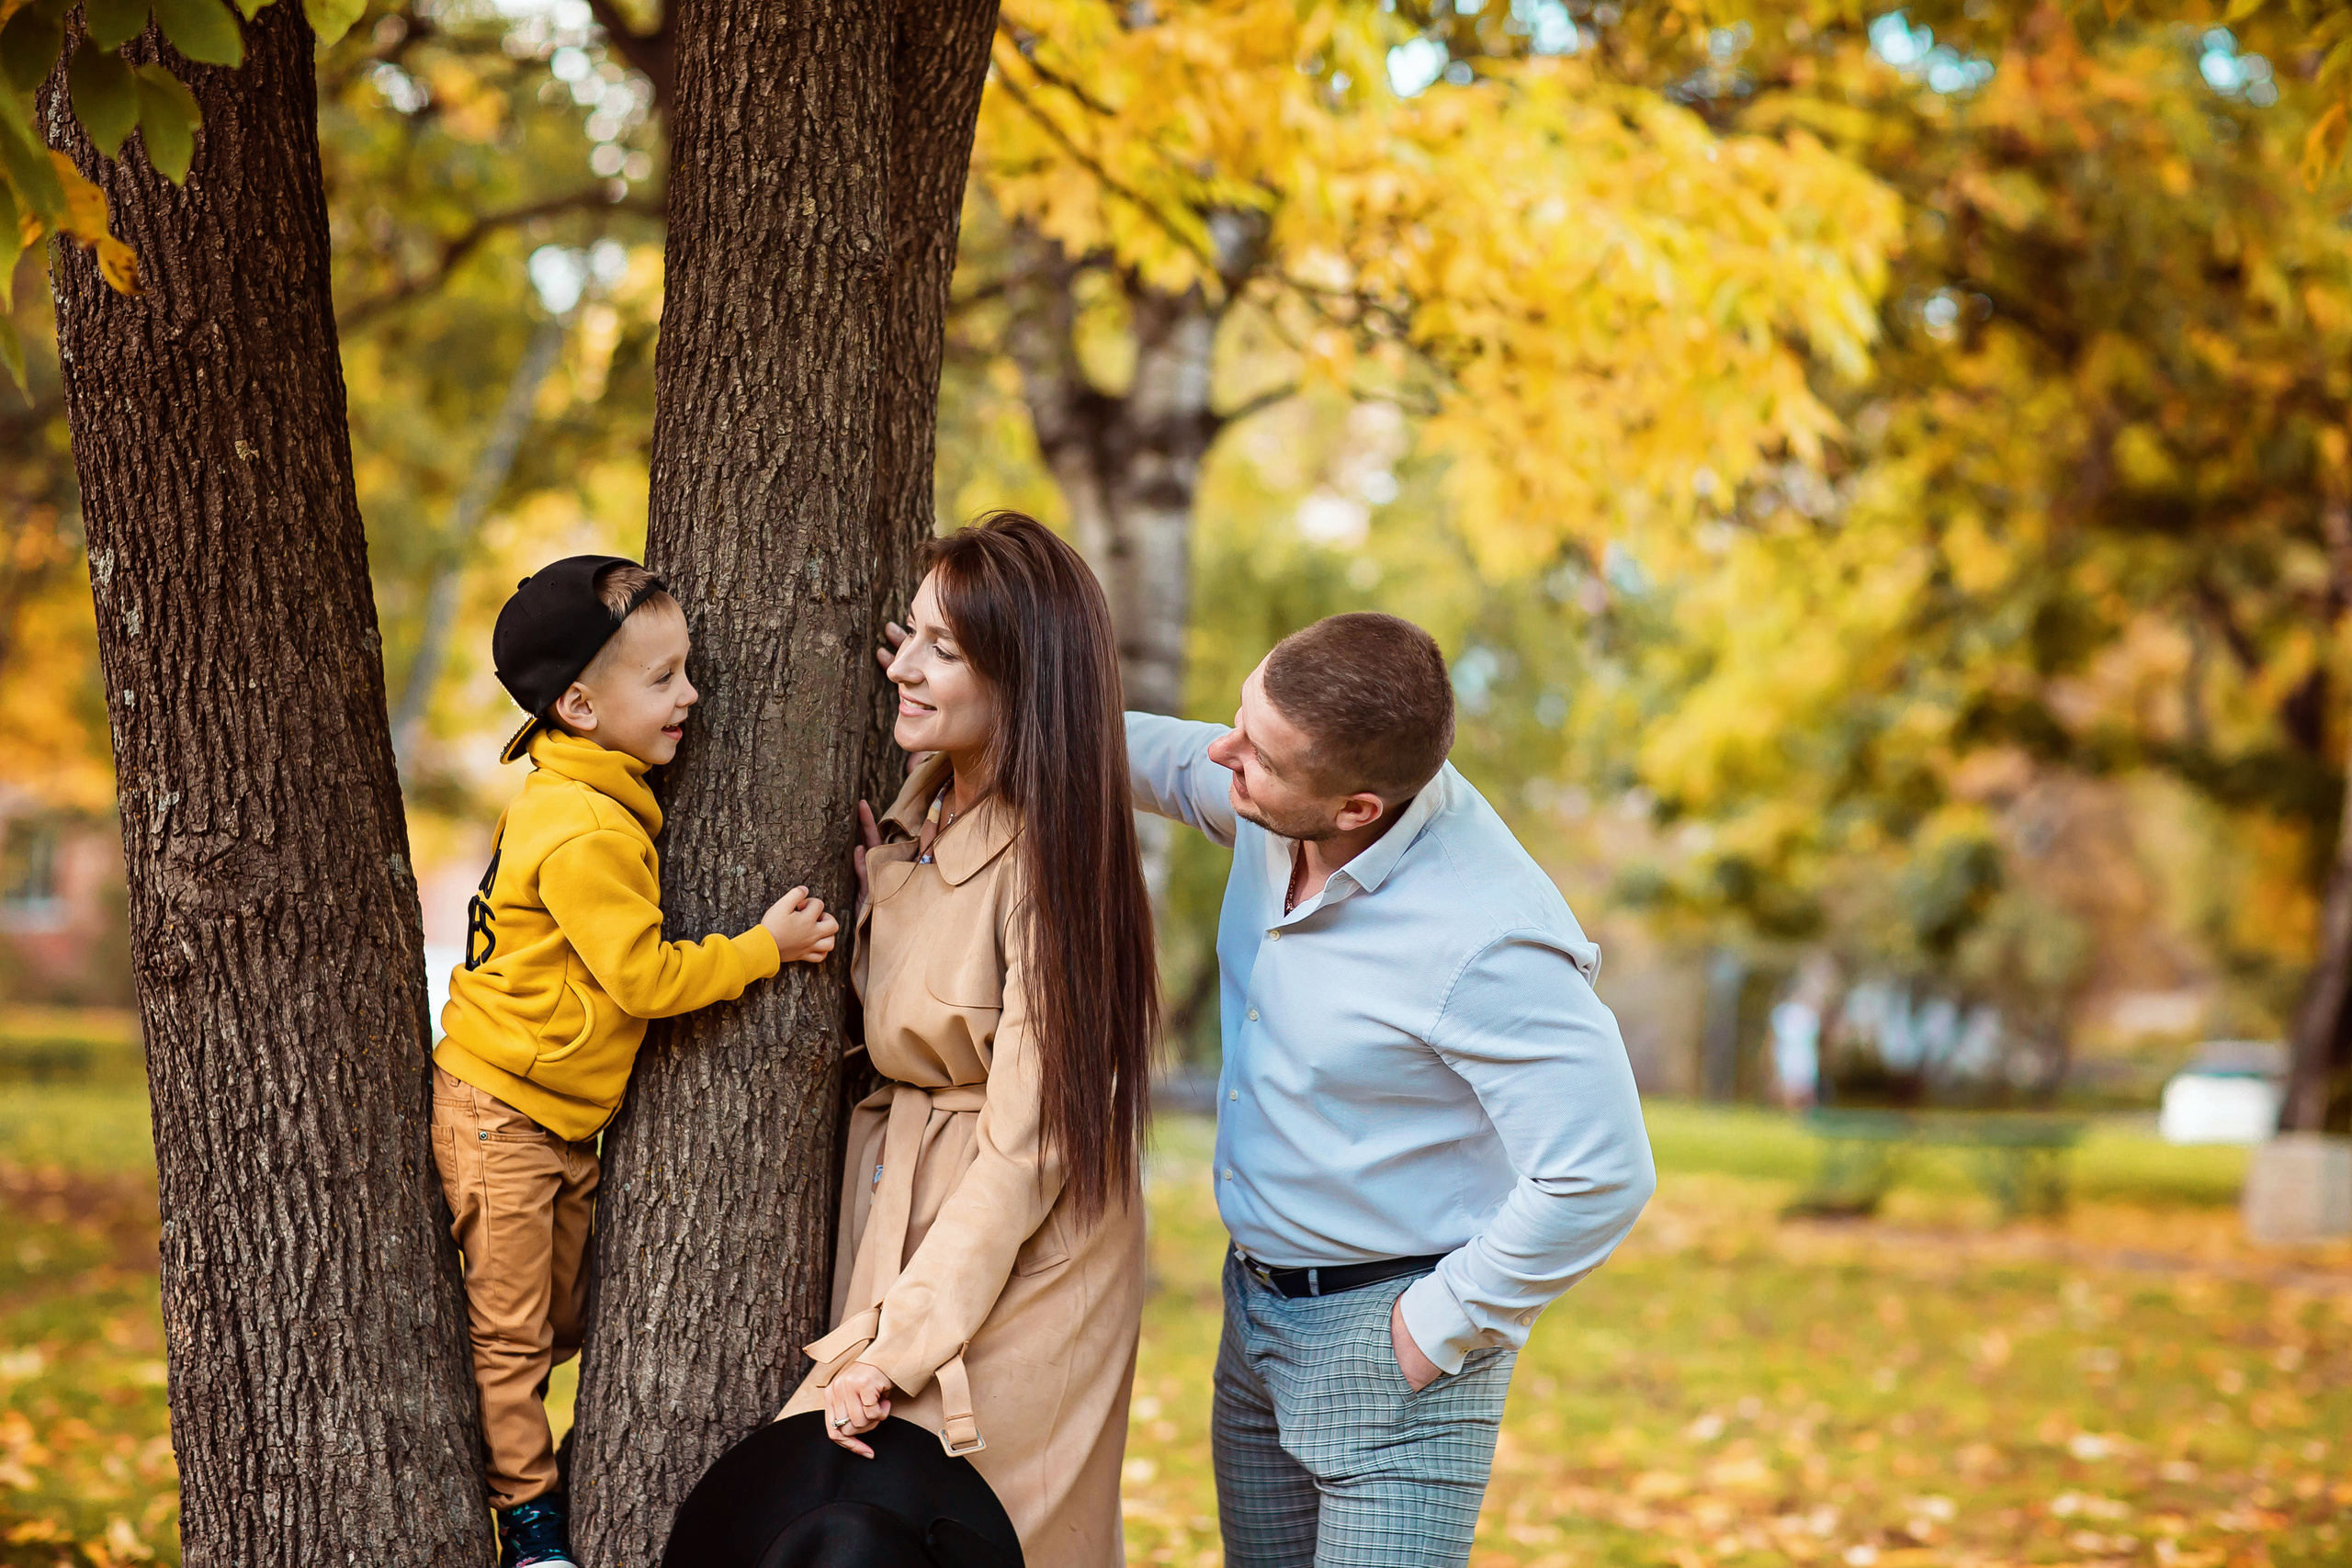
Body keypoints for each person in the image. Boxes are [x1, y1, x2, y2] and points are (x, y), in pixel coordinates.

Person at [1126, 612, 1656, 1568]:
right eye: (1240, 718)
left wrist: (1432, 1328)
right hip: (1252, 1319)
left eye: (1257, 754)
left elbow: (1601, 1173)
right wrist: (991, 707)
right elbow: (1157, 759)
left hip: (1395, 1351)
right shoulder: (1274, 785)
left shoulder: (1485, 937)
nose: (1222, 753)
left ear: (1356, 809)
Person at [434, 556, 842, 1568]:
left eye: (684, 669)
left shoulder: (592, 792)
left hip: (557, 1112)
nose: (690, 695)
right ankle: (530, 1527)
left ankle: (527, 1448)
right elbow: (645, 982)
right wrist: (765, 949)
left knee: (567, 1314)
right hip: (506, 1114)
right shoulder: (581, 823)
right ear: (578, 704)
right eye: (660, 679)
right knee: (517, 1338)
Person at [778, 513, 1158, 1568]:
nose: (902, 667)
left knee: (985, 1535)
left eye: (945, 651)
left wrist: (900, 1348)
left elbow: (1030, 1145)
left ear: (1025, 679)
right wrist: (885, 898)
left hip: (1024, 1246)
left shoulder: (1052, 862)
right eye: (910, 636)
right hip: (904, 1200)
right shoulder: (913, 821)